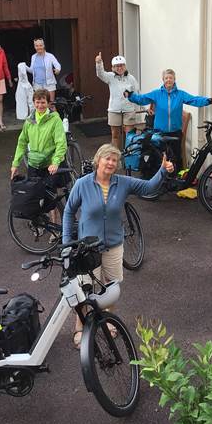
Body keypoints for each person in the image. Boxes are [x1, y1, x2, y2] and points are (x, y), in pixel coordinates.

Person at [63, 143, 174, 349]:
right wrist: (66, 243)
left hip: (113, 245)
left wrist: (162, 171)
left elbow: (149, 187)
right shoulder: (83, 184)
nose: (111, 163)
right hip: (88, 248)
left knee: (111, 287)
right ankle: (80, 326)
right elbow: (69, 212)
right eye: (107, 158)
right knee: (84, 287)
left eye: (115, 160)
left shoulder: (122, 183)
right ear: (98, 160)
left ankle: (107, 321)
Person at [125, 69, 212, 169]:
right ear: (163, 80)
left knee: (175, 158)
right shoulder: (157, 93)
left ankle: (175, 181)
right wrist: (130, 96)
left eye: (171, 78)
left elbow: (194, 100)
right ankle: (160, 181)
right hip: (160, 133)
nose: (168, 80)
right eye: (166, 78)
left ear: (174, 79)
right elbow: (142, 99)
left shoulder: (180, 94)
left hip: (175, 132)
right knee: (159, 159)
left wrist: (208, 101)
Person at [11, 89, 68, 224]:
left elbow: (61, 143)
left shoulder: (55, 119)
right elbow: (22, 143)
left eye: (43, 102)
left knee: (51, 198)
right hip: (34, 164)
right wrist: (15, 164)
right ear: (34, 103)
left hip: (49, 165)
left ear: (48, 103)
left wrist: (55, 162)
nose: (40, 106)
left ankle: (55, 225)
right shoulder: (29, 121)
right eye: (37, 102)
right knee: (34, 196)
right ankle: (39, 223)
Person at [95, 52, 141, 149]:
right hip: (114, 110)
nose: (119, 68)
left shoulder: (131, 78)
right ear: (112, 68)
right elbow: (100, 74)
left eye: (121, 65)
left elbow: (137, 93)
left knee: (129, 135)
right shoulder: (110, 77)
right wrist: (99, 63)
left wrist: (142, 107)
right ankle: (117, 157)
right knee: (115, 135)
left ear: (125, 66)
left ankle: (129, 159)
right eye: (116, 66)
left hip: (129, 109)